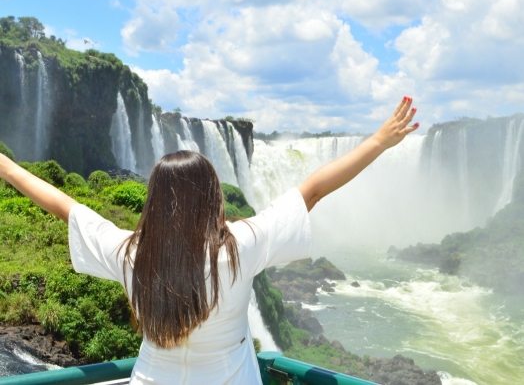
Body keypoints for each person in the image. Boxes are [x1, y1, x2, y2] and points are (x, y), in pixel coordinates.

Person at [0, 97, 418, 384]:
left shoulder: (131, 253)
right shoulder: (239, 245)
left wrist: (5, 166)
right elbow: (313, 190)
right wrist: (379, 142)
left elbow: (64, 206)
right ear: (212, 197)